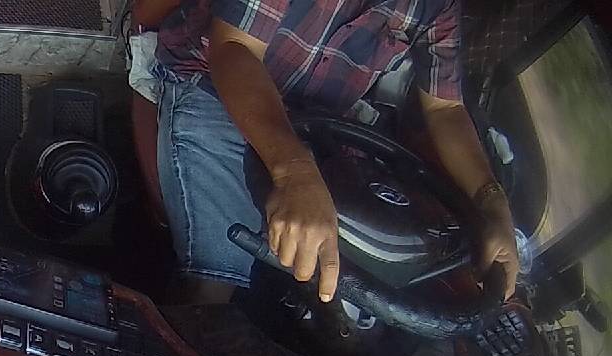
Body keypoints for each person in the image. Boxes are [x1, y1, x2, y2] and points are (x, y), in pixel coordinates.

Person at [143, 0, 521, 305]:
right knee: (215, 283)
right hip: (215, 84)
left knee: (357, 286)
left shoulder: (439, 7)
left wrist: (492, 203)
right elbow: (234, 48)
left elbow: (446, 109)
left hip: (315, 123)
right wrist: (294, 172)